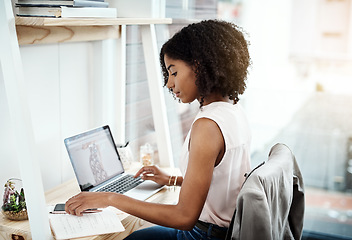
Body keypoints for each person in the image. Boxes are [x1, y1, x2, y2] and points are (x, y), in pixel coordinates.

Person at [65, 19, 252, 240]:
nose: (169, 84)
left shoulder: (207, 126)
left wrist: (109, 198)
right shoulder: (232, 110)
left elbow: (184, 217)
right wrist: (174, 179)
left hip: (203, 235)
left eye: (173, 72)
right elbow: (224, 180)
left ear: (199, 66)